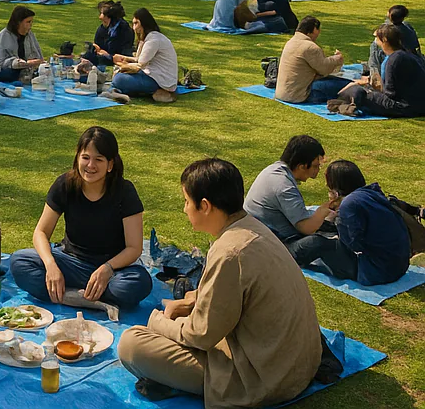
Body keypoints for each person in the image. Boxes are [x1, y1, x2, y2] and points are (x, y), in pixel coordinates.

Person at [118, 158, 321, 408]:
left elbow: (200, 335)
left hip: (263, 380)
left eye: (186, 201)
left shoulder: (229, 252)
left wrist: (161, 320)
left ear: (204, 206)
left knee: (131, 343)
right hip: (298, 366)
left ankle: (180, 383)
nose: (184, 209)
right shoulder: (252, 228)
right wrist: (190, 303)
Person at [10, 126, 153, 310]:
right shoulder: (65, 184)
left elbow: (134, 248)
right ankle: (88, 298)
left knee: (138, 283)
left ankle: (68, 295)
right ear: (78, 157)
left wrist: (107, 269)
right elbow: (41, 232)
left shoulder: (124, 192)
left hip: (112, 269)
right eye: (85, 157)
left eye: (98, 160)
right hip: (70, 262)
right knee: (19, 261)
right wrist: (51, 265)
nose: (90, 166)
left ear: (110, 164)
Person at [244, 135, 357, 279]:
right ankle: (353, 269)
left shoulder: (274, 170)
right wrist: (323, 211)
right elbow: (306, 228)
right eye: (315, 166)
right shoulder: (283, 186)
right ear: (302, 166)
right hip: (274, 247)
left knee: (321, 221)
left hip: (265, 234)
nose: (317, 172)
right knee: (318, 242)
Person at [326, 159, 411, 287]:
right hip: (399, 266)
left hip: (377, 272)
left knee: (318, 244)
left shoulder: (349, 204)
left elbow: (352, 245)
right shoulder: (373, 193)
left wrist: (338, 217)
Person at [333, 23, 425, 118]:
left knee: (357, 92)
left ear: (384, 40)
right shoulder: (406, 54)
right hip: (418, 103)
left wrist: (370, 89)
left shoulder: (394, 60)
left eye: (377, 37)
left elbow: (390, 94)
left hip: (405, 106)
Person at [109, 8, 179, 102]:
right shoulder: (148, 38)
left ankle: (153, 91)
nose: (134, 28)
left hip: (160, 80)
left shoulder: (153, 40)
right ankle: (132, 90)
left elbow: (139, 65)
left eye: (136, 23)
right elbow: (139, 59)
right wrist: (124, 58)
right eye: (133, 23)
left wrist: (122, 67)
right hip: (154, 74)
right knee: (119, 75)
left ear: (144, 23)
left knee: (118, 79)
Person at [273, 16, 348, 104]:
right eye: (318, 29)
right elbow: (324, 69)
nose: (319, 32)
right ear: (311, 30)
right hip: (299, 95)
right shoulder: (310, 47)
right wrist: (337, 59)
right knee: (348, 84)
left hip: (283, 93)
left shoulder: (291, 42)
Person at [0, 5, 44, 83]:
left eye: (31, 22)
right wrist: (18, 63)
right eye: (28, 22)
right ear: (19, 22)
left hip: (28, 71)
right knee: (12, 74)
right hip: (9, 71)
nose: (31, 25)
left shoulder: (30, 35)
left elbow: (38, 55)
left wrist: (38, 63)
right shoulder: (5, 35)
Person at [366, 4, 420, 76]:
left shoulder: (390, 32)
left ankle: (374, 76)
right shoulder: (407, 27)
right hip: (414, 60)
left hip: (398, 61)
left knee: (375, 46)